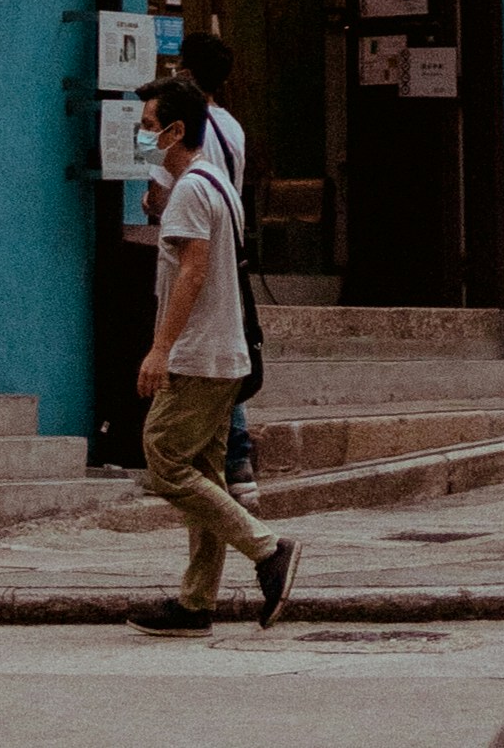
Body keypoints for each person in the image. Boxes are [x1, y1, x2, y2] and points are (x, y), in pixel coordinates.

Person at [125, 70, 289, 638]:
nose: (142, 137)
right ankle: (197, 602)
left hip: (198, 357)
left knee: (164, 459)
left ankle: (267, 550)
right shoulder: (215, 182)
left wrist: (159, 350)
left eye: (148, 127)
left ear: (174, 131)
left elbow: (193, 272)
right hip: (225, 353)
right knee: (204, 472)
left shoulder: (193, 190)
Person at [169, 33, 262, 499]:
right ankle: (237, 459)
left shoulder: (182, 130)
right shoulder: (233, 127)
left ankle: (221, 456)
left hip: (197, 241)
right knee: (226, 342)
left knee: (200, 345)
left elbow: (159, 196)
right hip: (232, 246)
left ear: (186, 71)